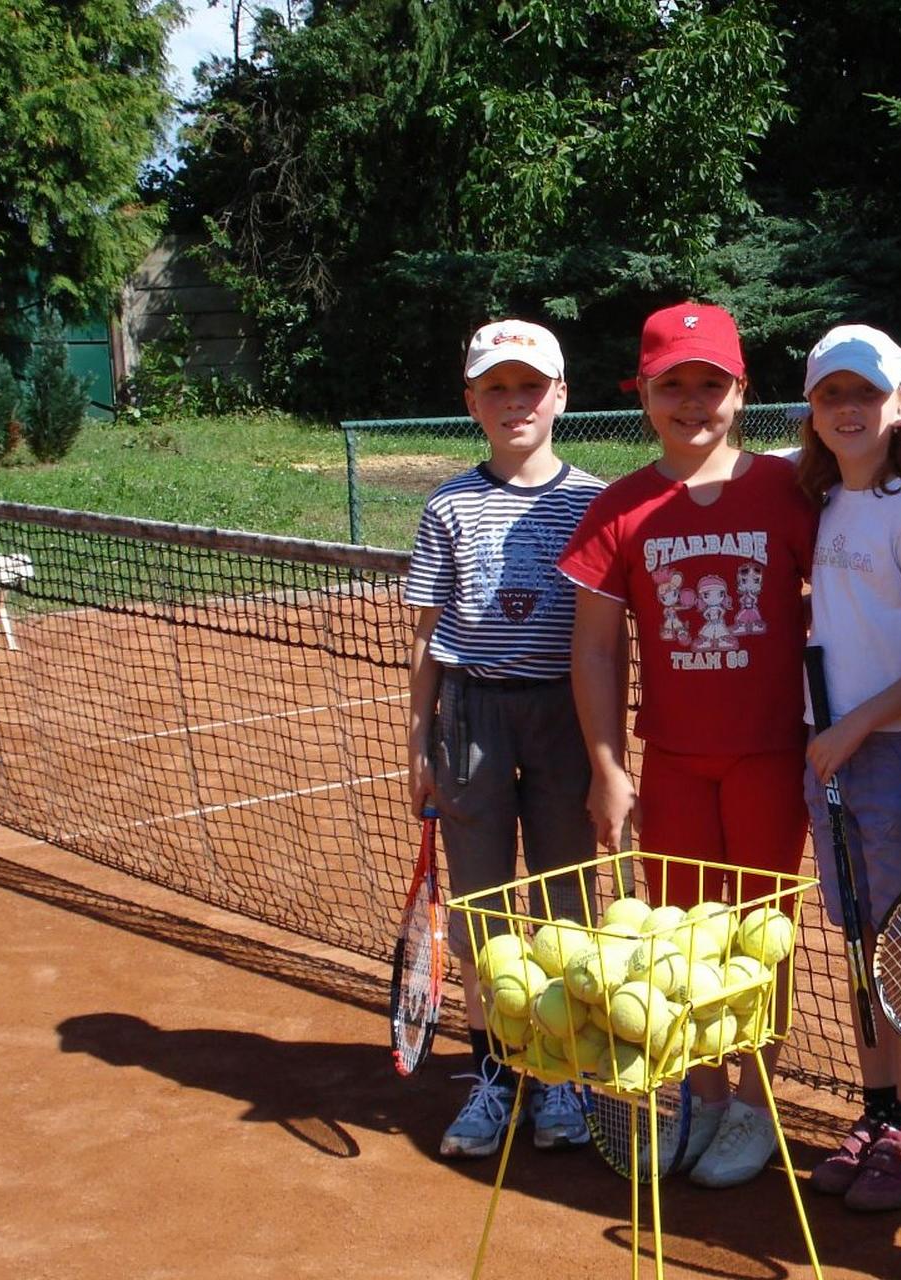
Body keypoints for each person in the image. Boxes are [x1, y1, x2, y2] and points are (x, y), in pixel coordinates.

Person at [558, 301, 818, 1188]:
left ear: (741, 392)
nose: (693, 402)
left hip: (773, 760)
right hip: (671, 763)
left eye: (712, 384)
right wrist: (606, 764)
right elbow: (594, 646)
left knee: (761, 936)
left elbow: (842, 608)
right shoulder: (622, 505)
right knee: (676, 943)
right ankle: (701, 1092)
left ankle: (758, 1102)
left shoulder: (788, 493)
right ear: (644, 394)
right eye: (674, 386)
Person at [403, 319, 607, 1160]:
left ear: (560, 395)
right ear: (472, 403)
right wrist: (417, 740)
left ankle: (560, 1076)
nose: (514, 402)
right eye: (497, 388)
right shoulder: (447, 505)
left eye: (531, 386)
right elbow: (426, 635)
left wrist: (608, 755)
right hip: (471, 717)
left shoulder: (596, 501)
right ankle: (495, 1074)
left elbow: (608, 641)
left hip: (563, 714)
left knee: (567, 907)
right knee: (482, 911)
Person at [793, 324, 901, 1212]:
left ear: (900, 406)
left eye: (867, 395)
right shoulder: (820, 499)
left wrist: (852, 728)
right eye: (830, 396)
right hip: (831, 753)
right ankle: (877, 1111)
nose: (849, 410)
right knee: (859, 942)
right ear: (812, 411)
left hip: (890, 752)